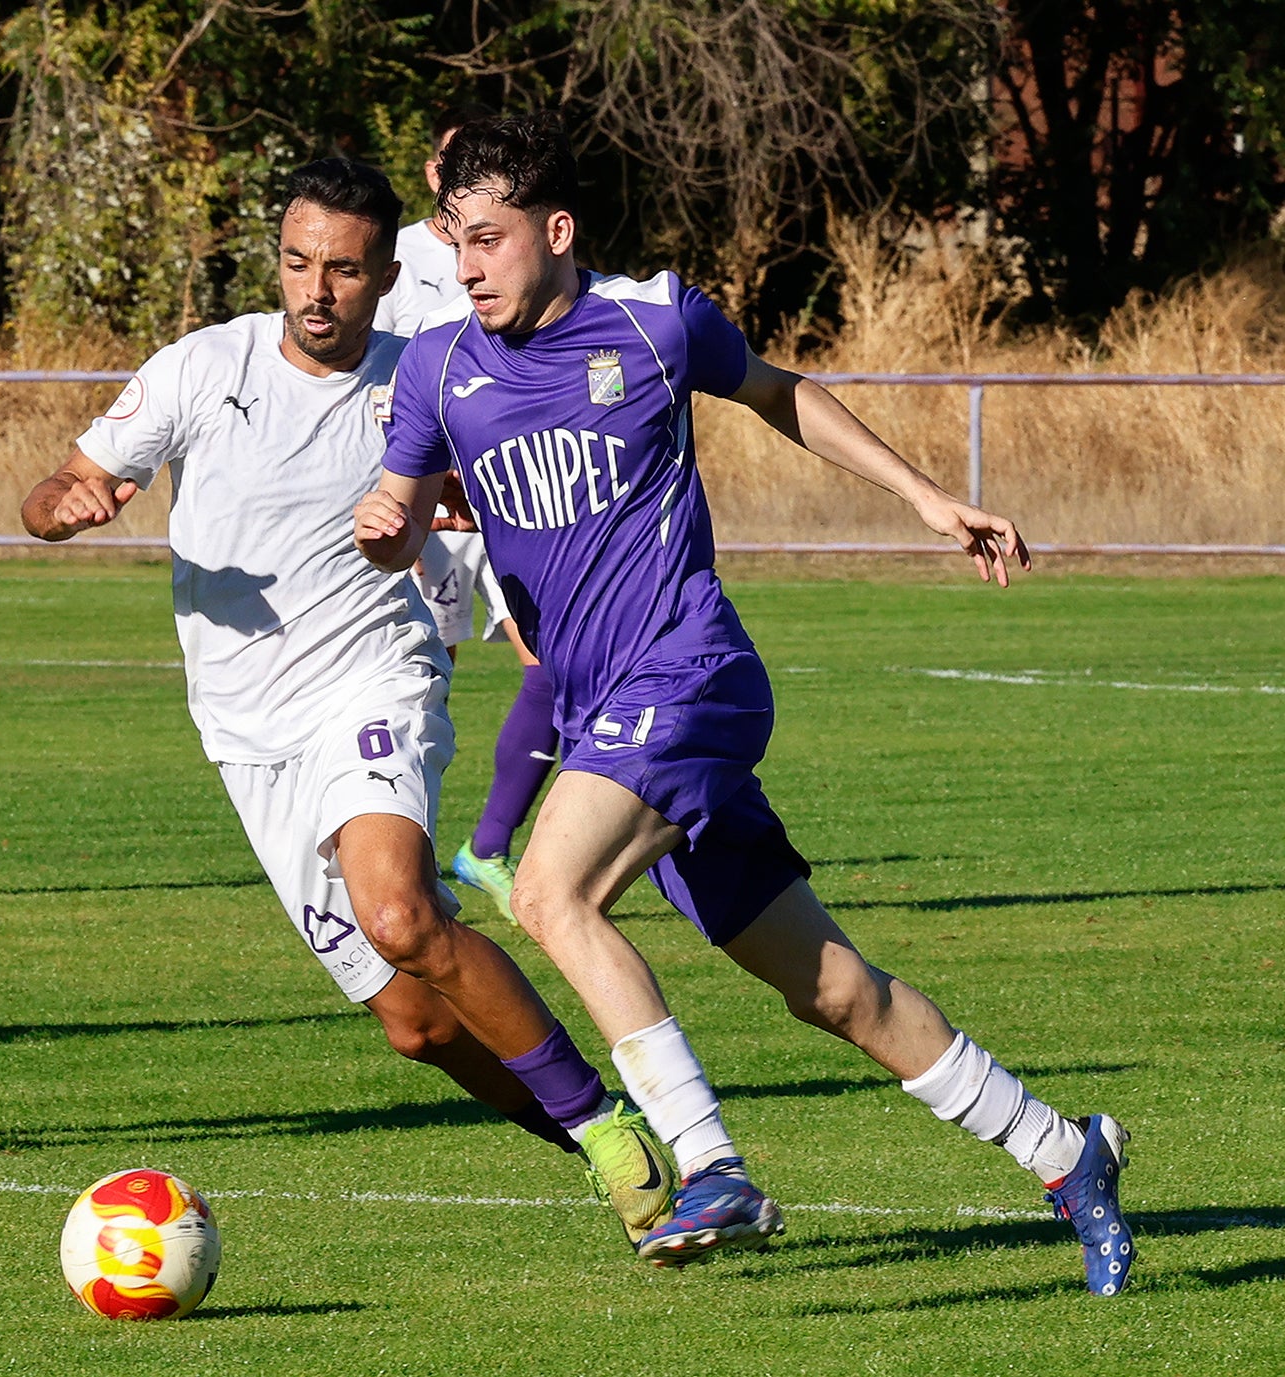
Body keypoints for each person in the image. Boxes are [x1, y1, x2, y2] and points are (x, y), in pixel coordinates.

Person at [357, 114, 1135, 1291]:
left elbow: (781, 394)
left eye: (489, 240)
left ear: (555, 232)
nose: (466, 268)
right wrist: (385, 530)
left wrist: (925, 499)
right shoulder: (436, 366)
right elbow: (400, 509)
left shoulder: (655, 318)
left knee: (545, 891)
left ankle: (708, 1161)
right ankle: (1063, 1153)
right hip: (601, 715)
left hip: (689, 676)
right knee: (832, 989)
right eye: (455, 242)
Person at [21, 157, 679, 1245]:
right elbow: (46, 493)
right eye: (295, 263)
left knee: (399, 912)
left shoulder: (425, 375)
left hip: (373, 680)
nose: (313, 289)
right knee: (417, 1025)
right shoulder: (201, 368)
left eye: (341, 269)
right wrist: (71, 502)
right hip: (245, 733)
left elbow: (529, 467)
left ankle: (617, 1141)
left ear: (384, 275)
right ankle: (590, 1130)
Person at [377, 105, 560, 921]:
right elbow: (376, 385)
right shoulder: (400, 260)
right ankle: (405, 858)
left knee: (550, 670)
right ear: (432, 177)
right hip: (434, 510)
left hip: (510, 496)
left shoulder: (511, 246)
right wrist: (407, 493)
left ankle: (486, 846)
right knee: (428, 680)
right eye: (458, 165)